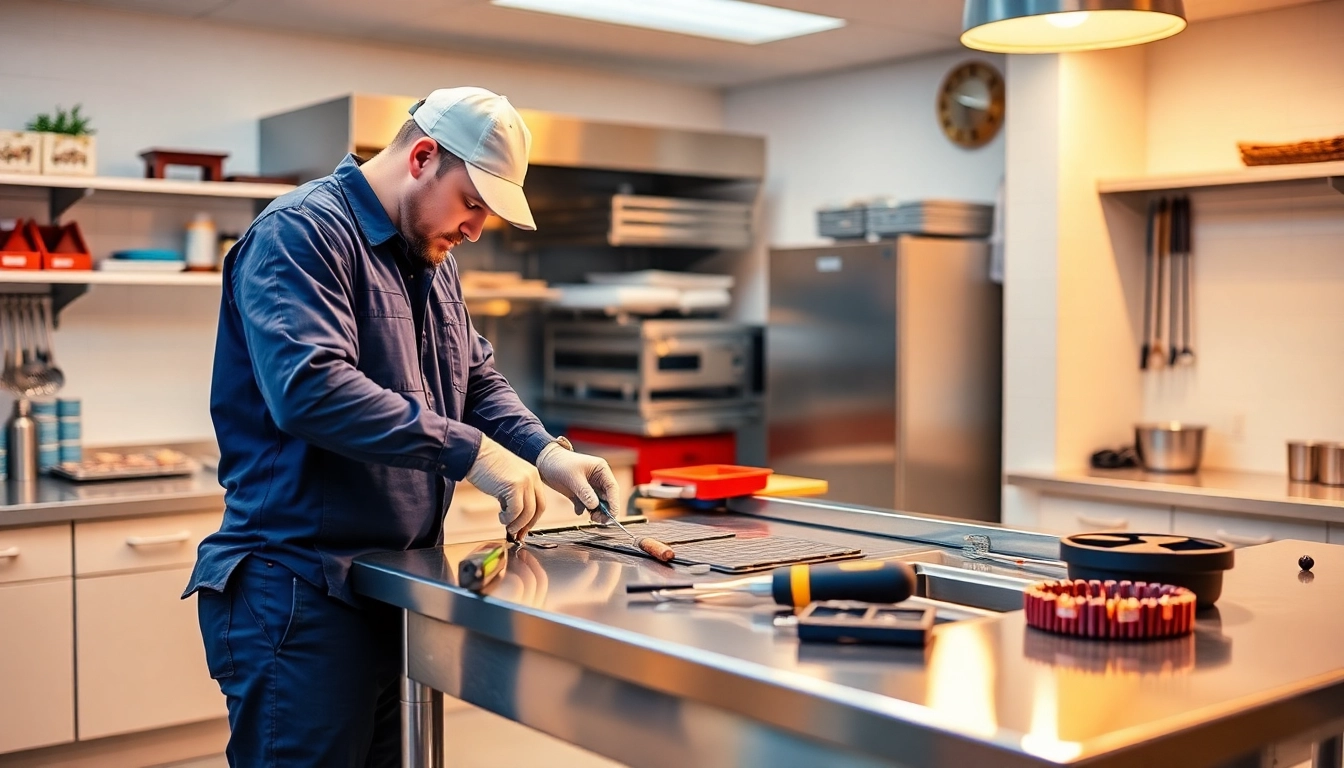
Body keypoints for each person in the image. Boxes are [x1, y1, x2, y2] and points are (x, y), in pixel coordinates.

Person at [183, 86, 621, 767]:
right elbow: (309, 389)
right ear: (422, 156)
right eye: (472, 203)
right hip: (299, 597)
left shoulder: (432, 257)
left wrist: (544, 452)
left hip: (393, 588)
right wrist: (471, 453)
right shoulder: (301, 234)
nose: (475, 228)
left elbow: (473, 377)